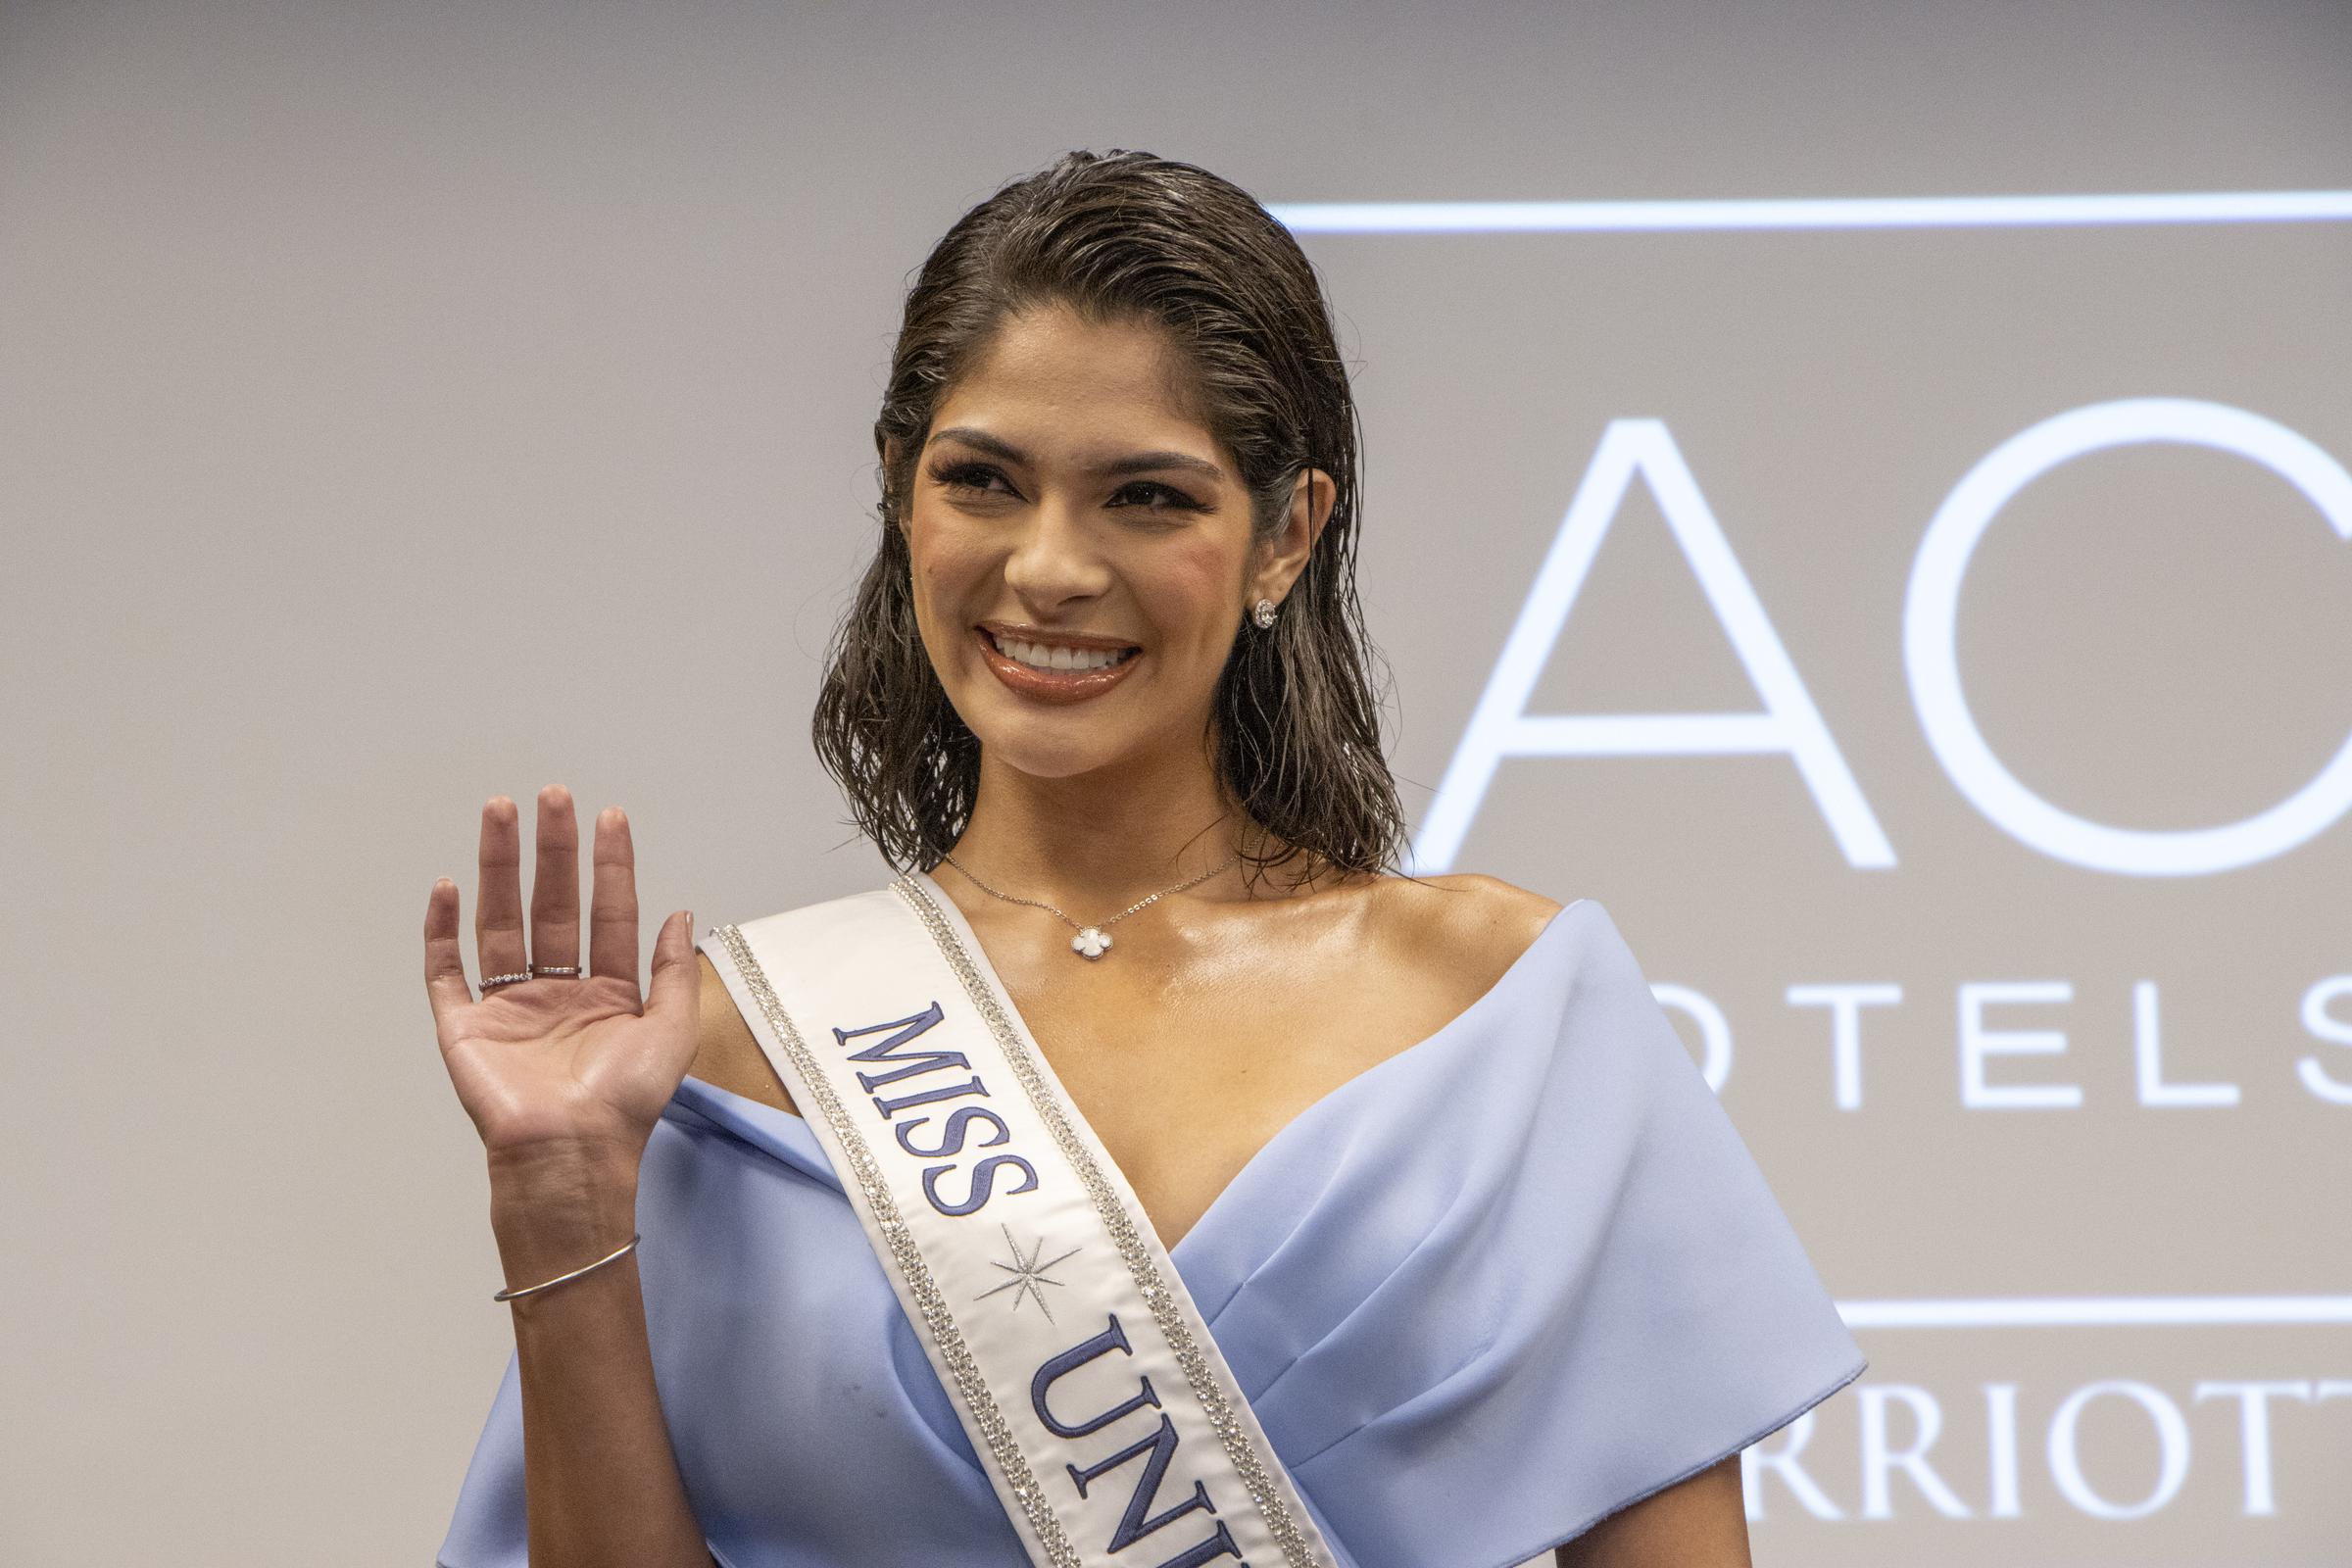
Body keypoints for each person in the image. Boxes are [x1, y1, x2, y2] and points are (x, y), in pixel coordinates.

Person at [424, 150, 1863, 1568]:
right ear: (898, 492)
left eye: (1149, 497)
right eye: (984, 479)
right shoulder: (729, 1056)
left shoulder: (1499, 1013)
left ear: (1287, 535)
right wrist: (559, 1203)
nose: (1049, 566)